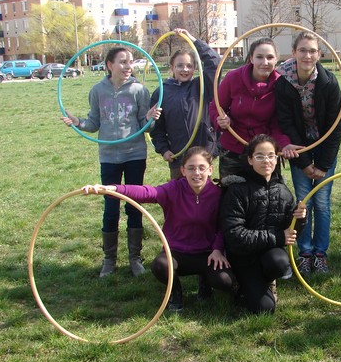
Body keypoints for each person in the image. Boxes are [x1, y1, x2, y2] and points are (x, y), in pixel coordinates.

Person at [82, 147, 235, 312]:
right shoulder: (174, 189)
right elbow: (148, 192)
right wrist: (113, 189)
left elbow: (222, 227)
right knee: (160, 266)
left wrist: (217, 249)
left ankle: (205, 281)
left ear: (210, 170)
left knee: (225, 281)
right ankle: (175, 292)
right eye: (191, 168)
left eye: (201, 168)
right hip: (176, 253)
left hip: (207, 254)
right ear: (183, 171)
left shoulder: (218, 194)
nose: (196, 173)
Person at [61, 47, 161, 278]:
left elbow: (146, 126)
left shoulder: (139, 90)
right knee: (110, 206)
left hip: (135, 154)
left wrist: (149, 119)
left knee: (134, 204)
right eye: (123, 62)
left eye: (131, 62)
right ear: (109, 65)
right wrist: (78, 122)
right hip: (108, 156)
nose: (128, 66)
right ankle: (109, 260)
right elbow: (94, 122)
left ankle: (135, 258)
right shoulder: (98, 90)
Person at [275, 31, 341, 275]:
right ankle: (305, 252)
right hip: (299, 148)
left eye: (312, 51)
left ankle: (320, 254)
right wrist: (304, 163)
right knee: (303, 202)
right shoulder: (283, 82)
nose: (307, 55)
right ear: (294, 52)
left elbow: (336, 127)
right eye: (303, 50)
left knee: (322, 203)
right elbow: (286, 124)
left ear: (319, 54)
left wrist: (323, 165)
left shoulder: (328, 82)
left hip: (324, 148)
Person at [219, 134, 306, 314]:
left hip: (268, 253)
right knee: (264, 309)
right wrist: (278, 237)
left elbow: (290, 232)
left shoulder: (282, 190)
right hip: (243, 257)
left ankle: (267, 280)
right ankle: (240, 283)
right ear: (250, 160)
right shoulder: (236, 190)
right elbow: (235, 235)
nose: (266, 161)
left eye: (271, 156)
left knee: (280, 263)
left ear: (276, 159)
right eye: (259, 156)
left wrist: (299, 218)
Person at [208, 38, 300, 178]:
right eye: (259, 57)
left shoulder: (281, 84)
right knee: (231, 189)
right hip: (233, 148)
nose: (265, 62)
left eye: (270, 57)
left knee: (266, 190)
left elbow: (278, 123)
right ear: (251, 58)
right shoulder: (233, 78)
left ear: (276, 59)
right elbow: (216, 107)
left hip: (265, 152)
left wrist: (284, 144)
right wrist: (222, 120)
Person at [150, 29, 221, 180]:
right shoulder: (161, 92)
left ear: (195, 68)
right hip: (178, 157)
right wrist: (164, 149)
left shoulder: (202, 86)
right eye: (180, 65)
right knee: (179, 192)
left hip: (203, 154)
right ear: (172, 67)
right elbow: (157, 128)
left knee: (204, 192)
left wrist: (193, 40)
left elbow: (215, 62)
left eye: (189, 66)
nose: (185, 69)